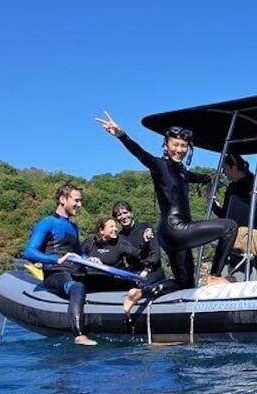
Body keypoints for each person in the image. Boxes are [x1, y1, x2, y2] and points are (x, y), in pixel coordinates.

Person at [96, 111, 237, 289]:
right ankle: (215, 275)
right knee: (230, 227)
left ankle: (143, 292)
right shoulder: (159, 165)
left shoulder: (181, 171)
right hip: (177, 228)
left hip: (170, 234)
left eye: (184, 146)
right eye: (175, 145)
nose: (180, 150)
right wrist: (122, 136)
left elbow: (195, 176)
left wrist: (211, 178)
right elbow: (141, 154)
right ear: (166, 144)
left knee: (184, 283)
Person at [23, 183, 97, 346]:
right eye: (76, 200)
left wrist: (89, 259)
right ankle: (79, 335)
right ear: (63, 199)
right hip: (55, 274)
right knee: (77, 287)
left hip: (74, 272)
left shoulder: (73, 227)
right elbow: (28, 252)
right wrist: (56, 260)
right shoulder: (47, 222)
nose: (80, 205)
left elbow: (78, 252)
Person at [213, 152, 257, 276]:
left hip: (255, 233)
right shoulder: (231, 188)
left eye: (225, 170)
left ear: (234, 168)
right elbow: (225, 215)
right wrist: (212, 203)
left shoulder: (255, 182)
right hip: (237, 233)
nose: (225, 174)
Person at [81, 217, 141, 291]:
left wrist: (146, 242)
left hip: (112, 282)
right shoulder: (91, 241)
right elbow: (77, 256)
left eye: (116, 226)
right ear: (101, 230)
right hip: (91, 281)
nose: (115, 229)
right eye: (111, 227)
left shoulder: (120, 242)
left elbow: (138, 254)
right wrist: (87, 260)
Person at [111, 201, 164, 284]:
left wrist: (145, 271)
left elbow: (155, 254)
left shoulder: (146, 227)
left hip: (152, 271)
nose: (123, 217)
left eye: (125, 212)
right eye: (119, 215)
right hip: (133, 273)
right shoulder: (120, 237)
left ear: (131, 213)